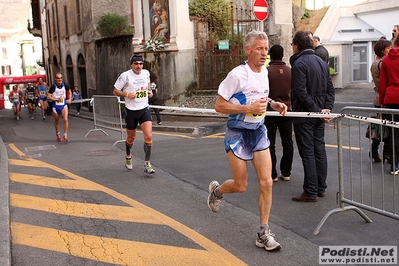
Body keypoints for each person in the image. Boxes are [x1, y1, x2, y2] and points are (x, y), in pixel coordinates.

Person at [207, 30, 287, 251]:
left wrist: (273, 103)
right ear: (248, 50)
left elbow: (260, 96)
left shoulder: (265, 73)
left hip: (258, 131)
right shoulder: (237, 74)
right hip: (237, 133)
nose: (264, 53)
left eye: (266, 48)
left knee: (267, 182)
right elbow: (219, 105)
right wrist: (248, 108)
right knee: (241, 186)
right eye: (259, 48)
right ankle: (217, 191)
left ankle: (263, 233)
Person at [290, 30, 335, 202]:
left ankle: (310, 190)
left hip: (305, 114)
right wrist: (326, 110)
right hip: (318, 114)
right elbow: (330, 90)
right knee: (319, 149)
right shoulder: (322, 62)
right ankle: (320, 187)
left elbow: (301, 92)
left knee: (307, 152)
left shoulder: (299, 63)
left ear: (297, 45)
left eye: (293, 44)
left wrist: (316, 111)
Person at [113, 53, 156, 174]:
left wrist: (149, 92)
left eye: (141, 63)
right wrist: (127, 94)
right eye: (136, 63)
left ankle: (147, 163)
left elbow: (148, 86)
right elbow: (115, 91)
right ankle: (128, 155)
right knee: (131, 138)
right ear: (131, 64)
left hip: (144, 109)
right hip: (131, 111)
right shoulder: (125, 76)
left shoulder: (146, 73)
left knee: (149, 136)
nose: (138, 66)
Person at [264, 44, 293, 182]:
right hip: (287, 110)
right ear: (282, 54)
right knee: (287, 142)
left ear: (271, 54)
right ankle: (286, 172)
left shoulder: (266, 71)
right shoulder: (289, 71)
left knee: (270, 143)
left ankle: (272, 173)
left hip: (270, 111)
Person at [370, 39, 392, 163]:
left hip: (378, 97)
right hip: (382, 97)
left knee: (380, 127)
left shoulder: (375, 63)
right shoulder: (382, 63)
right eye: (388, 48)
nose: (390, 50)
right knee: (387, 127)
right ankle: (386, 153)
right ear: (382, 50)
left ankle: (374, 151)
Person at [379, 34, 399, 175]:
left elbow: (383, 83)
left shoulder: (386, 59)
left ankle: (394, 165)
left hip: (391, 98)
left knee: (394, 133)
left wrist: (382, 102)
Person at [48, 73, 71, 142]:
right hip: (56, 106)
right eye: (58, 78)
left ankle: (65, 135)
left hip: (63, 105)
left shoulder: (65, 85)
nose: (59, 79)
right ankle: (58, 133)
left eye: (61, 78)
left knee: (66, 119)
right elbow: (48, 96)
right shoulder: (53, 87)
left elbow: (69, 91)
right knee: (57, 121)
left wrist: (69, 99)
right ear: (55, 79)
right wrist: (55, 99)